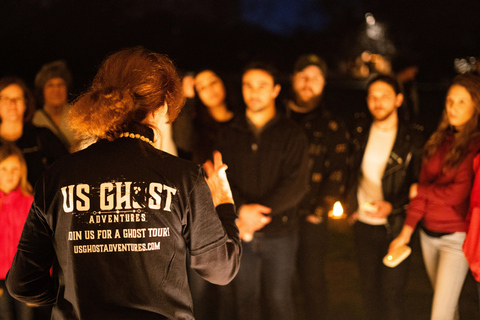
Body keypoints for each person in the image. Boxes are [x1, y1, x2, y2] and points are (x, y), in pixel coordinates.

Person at [6, 47, 241, 320]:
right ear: (162, 106)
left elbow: (22, 283)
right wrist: (224, 203)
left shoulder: (57, 176)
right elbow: (221, 269)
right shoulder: (184, 177)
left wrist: (69, 296)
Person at [216, 62, 309, 320]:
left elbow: (296, 184)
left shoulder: (292, 134)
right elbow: (222, 178)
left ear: (276, 90)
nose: (254, 92)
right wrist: (243, 210)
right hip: (239, 229)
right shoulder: (229, 133)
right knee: (245, 301)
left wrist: (258, 214)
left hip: (280, 232)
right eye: (248, 85)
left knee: (279, 300)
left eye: (262, 86)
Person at [389, 73, 480, 320]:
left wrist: (421, 190)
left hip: (455, 238)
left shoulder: (474, 145)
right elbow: (420, 191)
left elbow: (456, 194)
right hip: (428, 235)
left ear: (476, 104)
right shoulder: (438, 140)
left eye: (461, 101)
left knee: (439, 314)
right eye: (450, 100)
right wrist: (405, 233)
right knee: (448, 309)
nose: (453, 107)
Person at [346, 74, 425, 320]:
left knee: (392, 295)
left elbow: (419, 186)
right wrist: (351, 206)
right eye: (373, 96)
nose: (378, 102)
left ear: (399, 100)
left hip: (396, 227)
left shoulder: (412, 138)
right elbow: (348, 170)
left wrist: (392, 206)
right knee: (369, 292)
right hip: (364, 225)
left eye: (385, 96)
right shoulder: (359, 131)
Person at [284, 54, 350, 320]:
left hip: (311, 216)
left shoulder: (332, 124)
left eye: (315, 77)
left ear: (323, 83)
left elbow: (339, 170)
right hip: (276, 215)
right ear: (293, 79)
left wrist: (320, 211)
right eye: (303, 76)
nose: (308, 83)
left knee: (312, 280)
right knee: (278, 283)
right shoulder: (277, 116)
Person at [0, 77, 68, 188]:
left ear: (26, 103)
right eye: (5, 99)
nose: (12, 104)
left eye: (17, 98)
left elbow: (66, 171)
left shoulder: (43, 137)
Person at [0, 144, 34, 320]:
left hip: (23, 277)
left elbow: (39, 244)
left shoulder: (30, 203)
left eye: (14, 169)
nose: (9, 174)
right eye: (3, 168)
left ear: (22, 171)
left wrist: (40, 278)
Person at [33, 60, 77, 152]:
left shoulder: (78, 115)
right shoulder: (34, 120)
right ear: (42, 91)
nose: (56, 90)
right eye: (50, 85)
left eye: (60, 84)